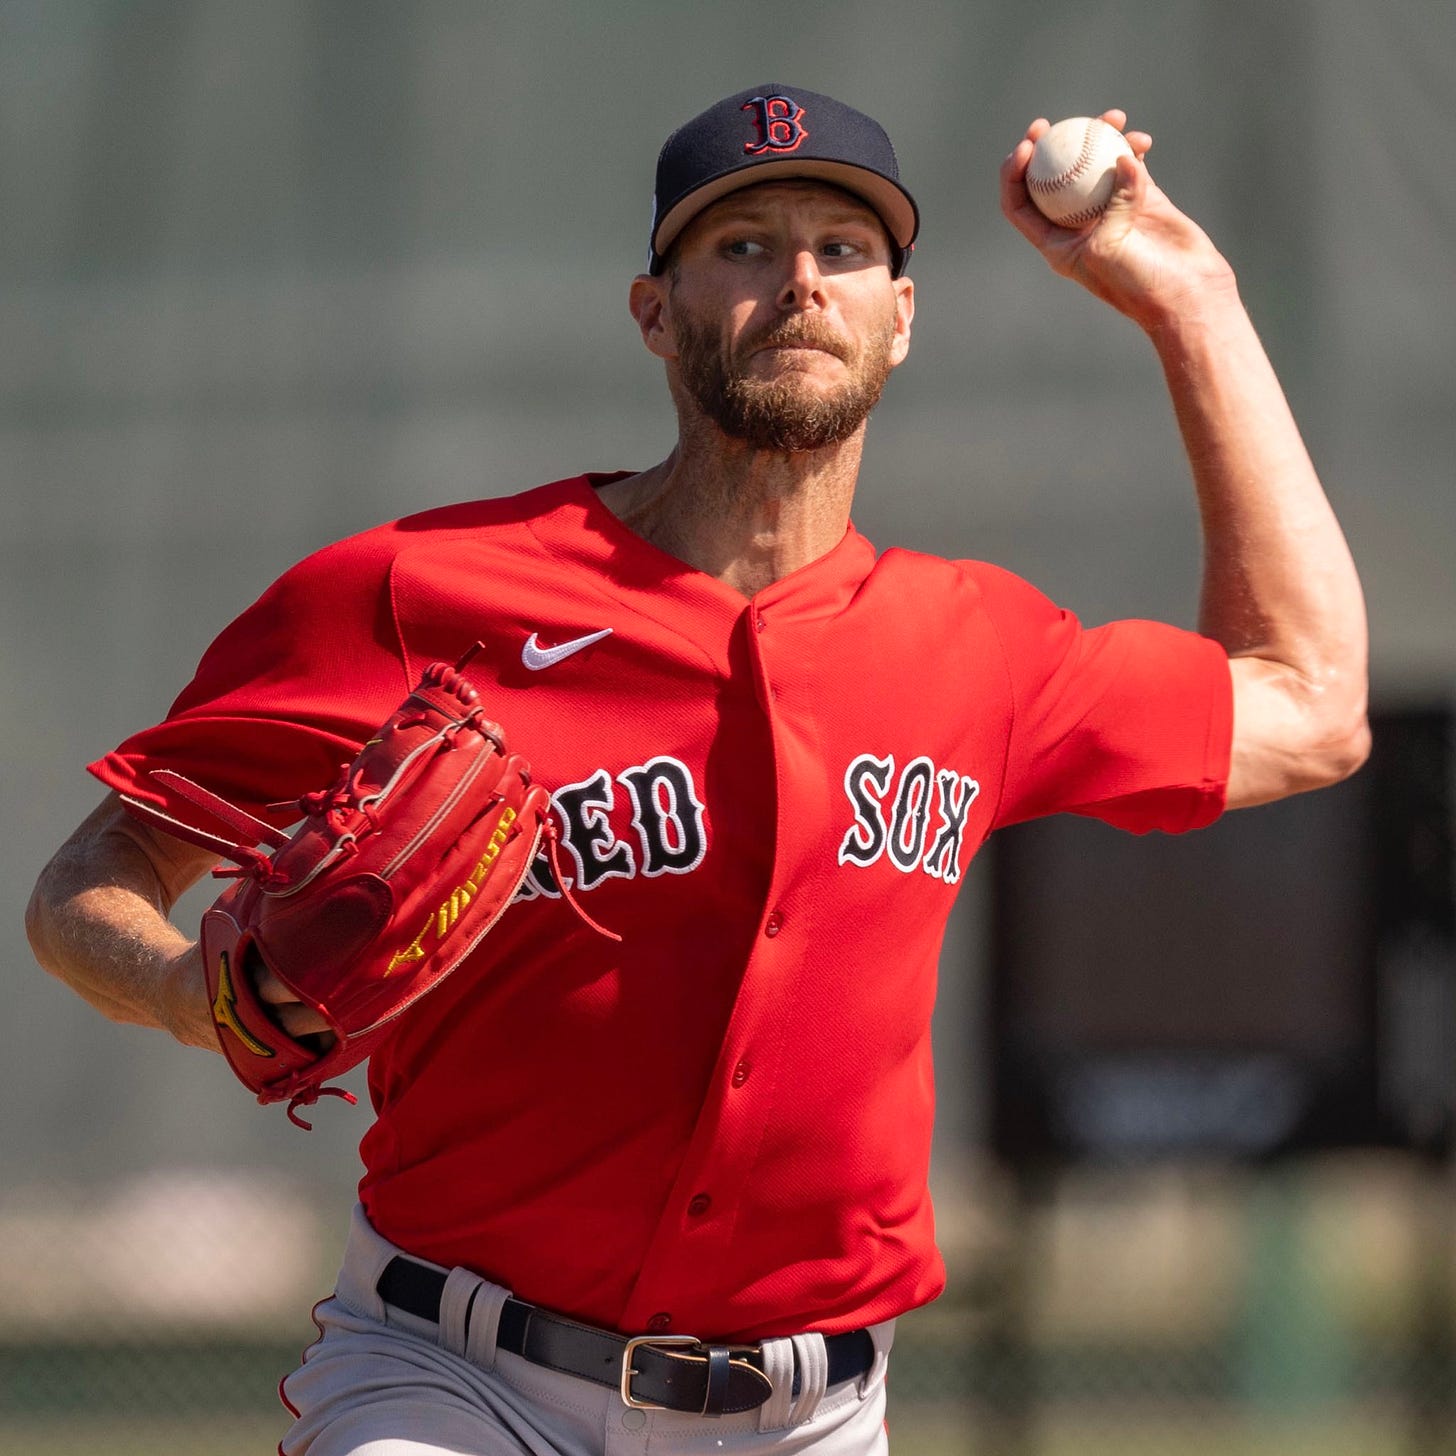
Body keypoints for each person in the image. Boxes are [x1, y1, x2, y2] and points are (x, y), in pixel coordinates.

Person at [26, 84, 1367, 1456]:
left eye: (845, 250)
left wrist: (1193, 303)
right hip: (454, 1377)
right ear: (654, 313)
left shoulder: (978, 646)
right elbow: (90, 880)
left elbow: (1314, 706)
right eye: (743, 246)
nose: (799, 282)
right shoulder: (419, 592)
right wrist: (186, 993)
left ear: (899, 321)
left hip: (811, 1416)